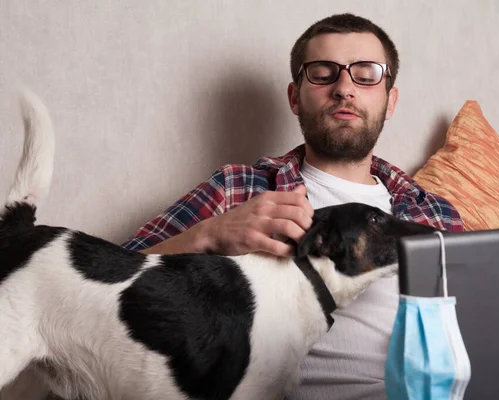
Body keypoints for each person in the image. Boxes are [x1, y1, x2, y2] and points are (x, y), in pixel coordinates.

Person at [123, 13, 463, 400]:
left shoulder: (437, 214)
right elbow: (114, 279)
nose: (344, 89)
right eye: (322, 72)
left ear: (390, 100)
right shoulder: (238, 190)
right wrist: (208, 235)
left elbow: (480, 330)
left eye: (366, 73)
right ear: (294, 97)